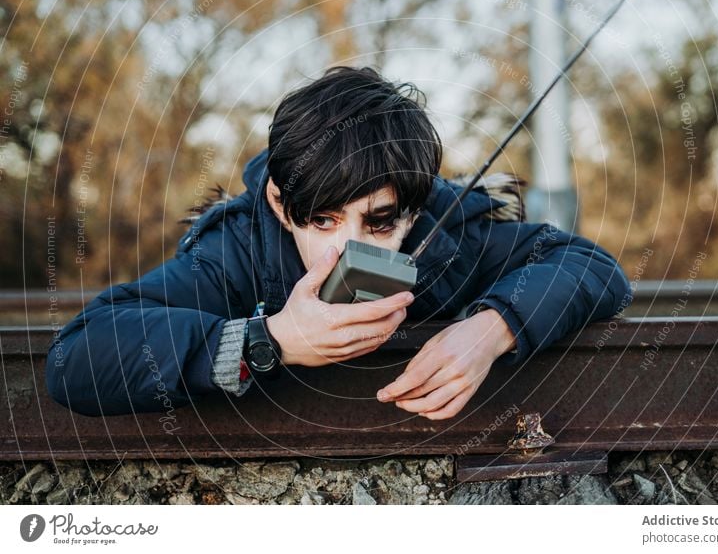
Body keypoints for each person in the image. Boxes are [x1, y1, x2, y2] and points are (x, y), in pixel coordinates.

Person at [46, 65, 632, 419]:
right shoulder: (240, 250)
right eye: (323, 220)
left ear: (416, 206)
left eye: (379, 222)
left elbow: (589, 264)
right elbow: (76, 357)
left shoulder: (451, 236)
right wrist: (268, 339)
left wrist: (490, 331)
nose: (346, 252)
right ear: (281, 205)